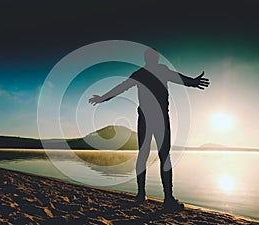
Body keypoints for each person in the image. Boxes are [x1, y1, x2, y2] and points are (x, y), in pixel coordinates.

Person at [89, 48, 210, 212]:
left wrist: (103, 98)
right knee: (162, 156)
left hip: (147, 118)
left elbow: (121, 88)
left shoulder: (140, 73)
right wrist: (193, 82)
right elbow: (179, 79)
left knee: (146, 154)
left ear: (147, 59)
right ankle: (166, 199)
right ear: (155, 58)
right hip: (158, 118)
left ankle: (143, 195)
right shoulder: (158, 70)